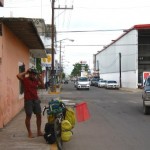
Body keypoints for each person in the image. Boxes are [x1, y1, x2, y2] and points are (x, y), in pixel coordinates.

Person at [17, 68, 45, 138]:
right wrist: (25, 72)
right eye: (32, 73)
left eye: (34, 74)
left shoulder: (36, 81)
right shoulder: (25, 80)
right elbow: (18, 75)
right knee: (28, 116)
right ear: (29, 74)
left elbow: (43, 86)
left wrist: (40, 79)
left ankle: (39, 131)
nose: (33, 75)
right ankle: (29, 132)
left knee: (39, 115)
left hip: (36, 100)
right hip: (28, 100)